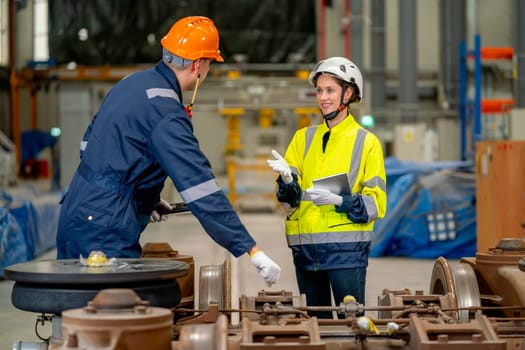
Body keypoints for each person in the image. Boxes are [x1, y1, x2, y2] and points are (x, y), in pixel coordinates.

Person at [56, 16, 281, 287]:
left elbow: (89, 147)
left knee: (71, 308)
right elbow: (201, 190)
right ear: (198, 65)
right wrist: (251, 250)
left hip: (77, 210)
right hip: (105, 228)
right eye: (210, 62)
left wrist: (144, 199)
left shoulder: (130, 84)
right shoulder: (166, 112)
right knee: (111, 314)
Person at [267, 57, 387, 317]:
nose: (323, 97)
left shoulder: (367, 143)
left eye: (330, 90)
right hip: (306, 253)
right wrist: (287, 182)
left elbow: (375, 204)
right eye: (319, 90)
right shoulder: (302, 139)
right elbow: (289, 202)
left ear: (349, 93)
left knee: (352, 326)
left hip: (347, 254)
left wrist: (340, 201)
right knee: (315, 327)